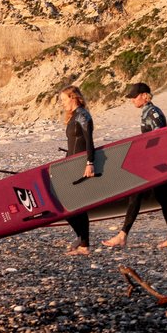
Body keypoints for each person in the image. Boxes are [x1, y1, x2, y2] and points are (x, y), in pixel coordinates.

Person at [102, 82, 167, 249]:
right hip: (154, 162)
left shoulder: (153, 113)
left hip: (156, 163)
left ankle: (123, 236)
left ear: (145, 96)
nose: (132, 100)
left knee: (137, 195)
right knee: (163, 198)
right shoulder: (147, 112)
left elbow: (161, 138)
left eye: (134, 97)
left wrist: (153, 162)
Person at [61, 86, 97, 256]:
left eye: (63, 99)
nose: (62, 104)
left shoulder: (83, 115)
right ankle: (82, 240)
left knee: (74, 205)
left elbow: (89, 141)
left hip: (80, 164)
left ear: (73, 97)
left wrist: (90, 163)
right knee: (69, 205)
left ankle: (84, 243)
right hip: (70, 164)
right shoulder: (73, 116)